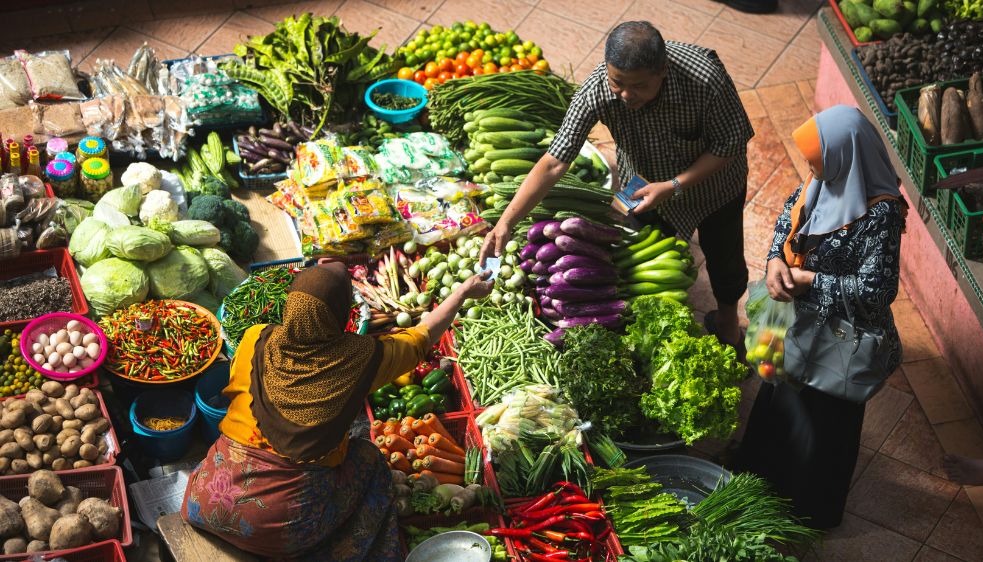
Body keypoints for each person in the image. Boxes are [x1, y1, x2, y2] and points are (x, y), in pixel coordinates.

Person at [181, 262, 493, 560]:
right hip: (281, 532)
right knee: (368, 458)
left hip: (204, 501)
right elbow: (419, 339)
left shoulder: (254, 338)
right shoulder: (359, 360)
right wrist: (461, 293)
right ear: (341, 314)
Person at [479, 20, 754, 353]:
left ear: (662, 71)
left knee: (725, 260)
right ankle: (659, 332)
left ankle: (727, 325)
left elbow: (731, 143)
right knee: (637, 252)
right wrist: (505, 222)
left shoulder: (703, 77)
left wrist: (673, 185)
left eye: (637, 86)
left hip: (714, 184)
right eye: (617, 82)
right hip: (642, 183)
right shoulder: (598, 88)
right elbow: (554, 161)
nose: (625, 95)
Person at [735, 105, 907, 529]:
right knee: (781, 397)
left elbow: (877, 292)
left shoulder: (881, 214)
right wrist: (777, 259)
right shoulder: (822, 180)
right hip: (795, 325)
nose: (810, 168)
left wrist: (812, 280)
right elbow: (785, 220)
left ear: (845, 156)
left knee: (825, 423)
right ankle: (761, 482)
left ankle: (810, 510)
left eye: (817, 158)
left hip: (837, 341)